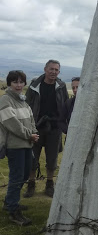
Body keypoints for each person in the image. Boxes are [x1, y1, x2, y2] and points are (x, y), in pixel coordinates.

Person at [24, 60, 69, 198]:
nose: (53, 72)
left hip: (54, 127)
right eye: (51, 69)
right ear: (45, 69)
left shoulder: (61, 86)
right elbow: (26, 105)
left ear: (59, 72)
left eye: (56, 70)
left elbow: (65, 106)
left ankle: (50, 183)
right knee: (32, 157)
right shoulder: (34, 85)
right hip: (36, 127)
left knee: (52, 158)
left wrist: (63, 124)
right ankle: (31, 183)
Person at [0, 70, 39, 226]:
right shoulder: (5, 100)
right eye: (15, 82)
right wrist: (29, 135)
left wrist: (34, 132)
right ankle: (13, 211)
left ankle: (10, 201)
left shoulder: (23, 100)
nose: (18, 85)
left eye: (21, 82)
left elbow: (31, 119)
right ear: (9, 83)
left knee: (24, 175)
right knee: (17, 177)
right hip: (14, 145)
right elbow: (12, 124)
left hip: (26, 144)